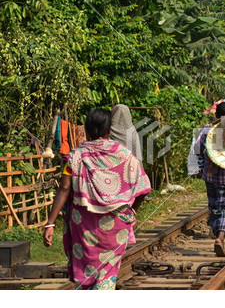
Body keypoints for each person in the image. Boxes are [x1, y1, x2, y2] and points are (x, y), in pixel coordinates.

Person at [43, 108, 151, 290]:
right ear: (110, 130)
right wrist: (132, 210)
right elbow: (143, 186)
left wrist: (50, 223)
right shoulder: (124, 154)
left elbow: (64, 188)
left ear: (85, 129)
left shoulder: (75, 157)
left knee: (86, 271)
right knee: (107, 273)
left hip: (84, 226)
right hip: (116, 225)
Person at [196, 101, 225, 257]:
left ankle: (216, 231)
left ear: (215, 115)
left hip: (210, 176)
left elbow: (198, 148)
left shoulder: (207, 129)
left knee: (214, 206)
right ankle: (220, 237)